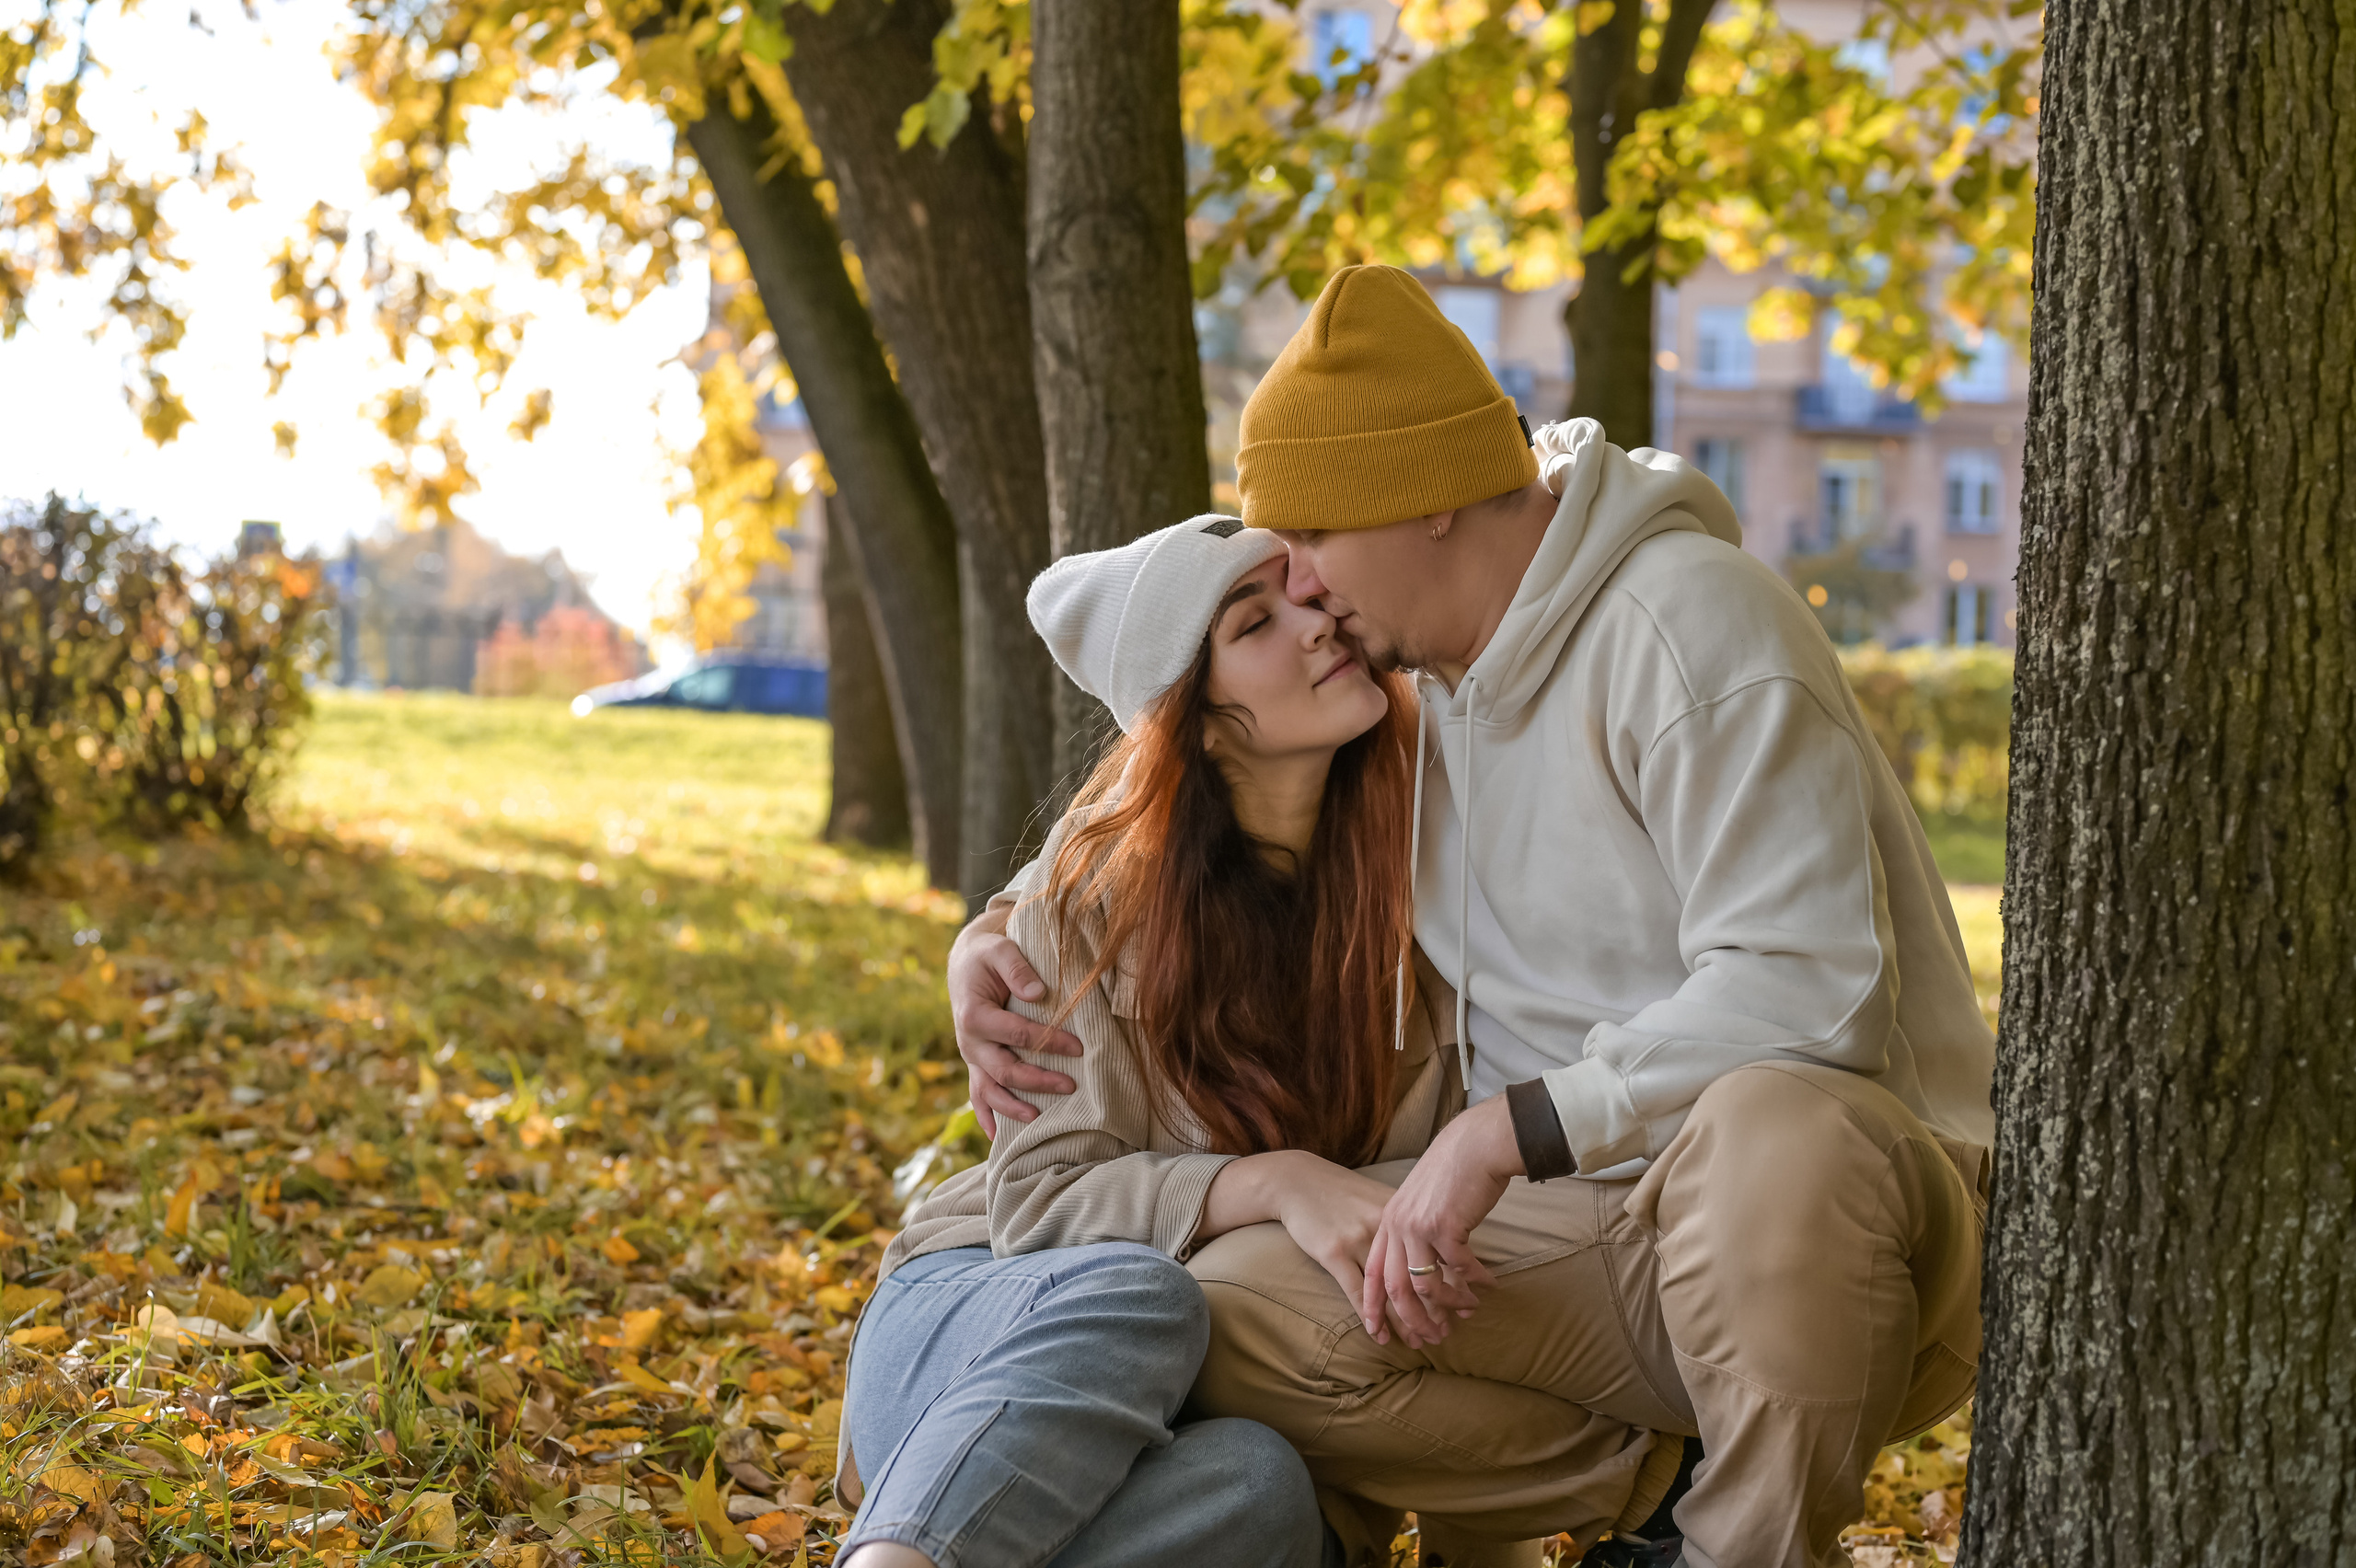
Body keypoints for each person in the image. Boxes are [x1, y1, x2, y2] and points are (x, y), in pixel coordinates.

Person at [953, 265, 1994, 1568]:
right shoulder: (1424, 692)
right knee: (1223, 1308)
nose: (1311, 594)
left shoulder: (1687, 628)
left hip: (1835, 1234)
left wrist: (1505, 1132)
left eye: (1313, 549)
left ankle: (1743, 1548)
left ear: (1424, 500)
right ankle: (1651, 1502)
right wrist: (999, 923)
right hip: (1591, 1245)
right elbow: (1185, 756)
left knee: (1773, 1124)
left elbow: (1809, 990)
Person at [835, 515, 1669, 1568]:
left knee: (1264, 1490)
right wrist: (1271, 1182)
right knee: (1146, 1299)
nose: (1316, 621)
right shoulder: (1092, 902)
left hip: (1206, 1418)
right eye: (1255, 621)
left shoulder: (1430, 863)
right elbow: (1043, 1210)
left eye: (1304, 592)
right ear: (1206, 721)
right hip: (994, 1320)